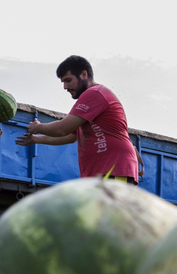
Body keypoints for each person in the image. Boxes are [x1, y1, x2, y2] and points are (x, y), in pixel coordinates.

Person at [15, 55, 141, 184]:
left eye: (68, 80)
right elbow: (70, 136)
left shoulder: (95, 93)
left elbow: (62, 129)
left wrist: (38, 127)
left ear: (84, 74)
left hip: (114, 169)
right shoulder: (92, 99)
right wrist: (36, 139)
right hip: (102, 173)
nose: (65, 86)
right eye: (63, 82)